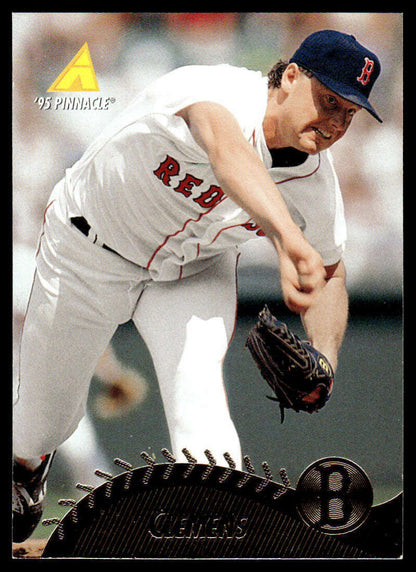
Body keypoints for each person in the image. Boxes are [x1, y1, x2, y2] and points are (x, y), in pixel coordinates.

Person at [12, 29, 382, 542]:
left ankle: (220, 537)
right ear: (291, 76)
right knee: (43, 421)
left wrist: (325, 359)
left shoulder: (315, 179)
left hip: (187, 274)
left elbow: (331, 273)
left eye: (349, 113)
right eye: (328, 101)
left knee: (200, 404)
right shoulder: (217, 89)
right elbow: (227, 150)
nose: (336, 122)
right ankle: (25, 465)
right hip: (88, 249)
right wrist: (288, 237)